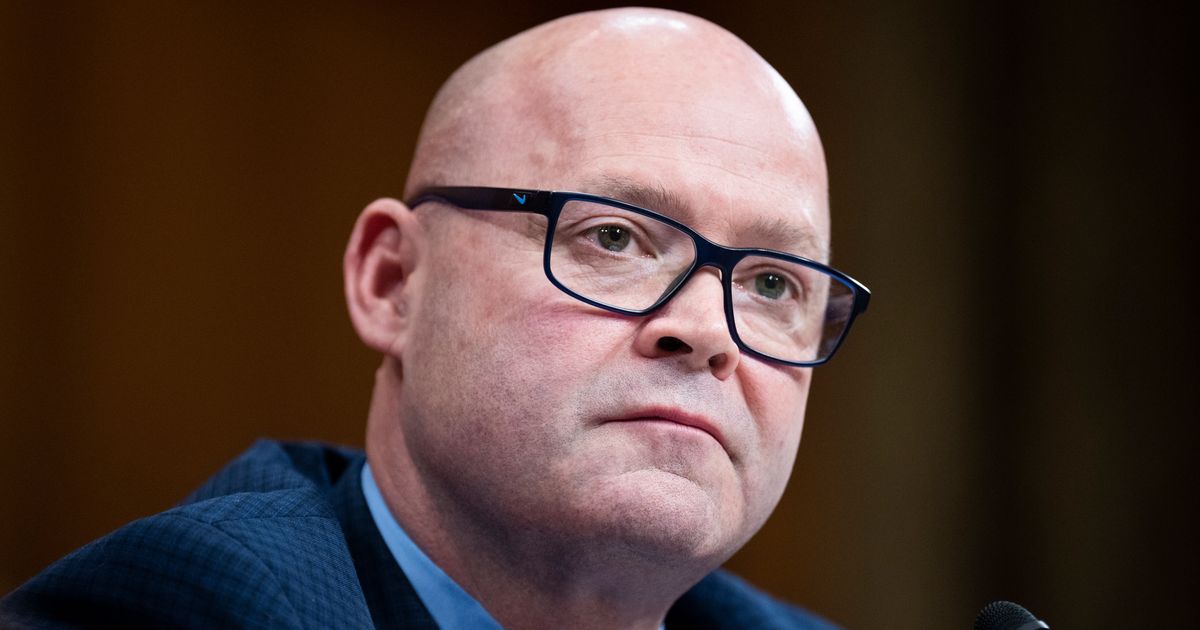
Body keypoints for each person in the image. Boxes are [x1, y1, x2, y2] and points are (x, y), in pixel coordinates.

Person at [1, 7, 869, 629]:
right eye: (613, 236)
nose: (709, 330)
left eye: (772, 285)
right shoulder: (196, 603)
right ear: (393, 283)